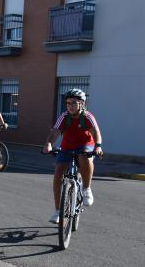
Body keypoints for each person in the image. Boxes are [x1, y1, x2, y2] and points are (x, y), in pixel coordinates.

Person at [42, 88, 103, 224]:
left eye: (74, 103)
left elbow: (96, 132)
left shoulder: (87, 117)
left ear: (82, 103)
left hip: (85, 145)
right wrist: (49, 144)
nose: (70, 106)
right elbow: (55, 132)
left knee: (84, 157)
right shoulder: (64, 117)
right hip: (67, 146)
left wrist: (98, 146)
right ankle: (58, 211)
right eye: (68, 103)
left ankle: (86, 189)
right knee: (58, 173)